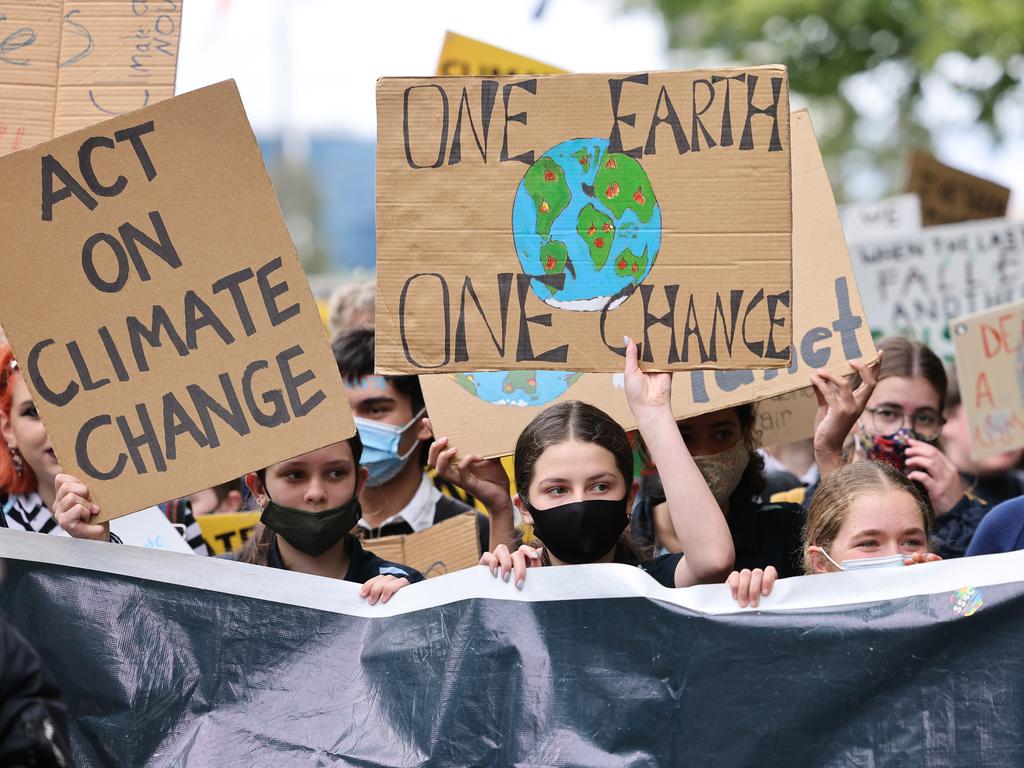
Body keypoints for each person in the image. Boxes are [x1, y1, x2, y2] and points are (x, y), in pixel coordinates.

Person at [429, 338, 734, 589]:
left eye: (600, 486)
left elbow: (712, 561)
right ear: (524, 507)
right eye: (558, 490)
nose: (580, 503)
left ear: (629, 496)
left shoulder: (654, 582)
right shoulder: (519, 583)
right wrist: (498, 538)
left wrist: (653, 412)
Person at [57, 432, 423, 605]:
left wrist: (415, 614)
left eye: (335, 474)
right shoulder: (218, 587)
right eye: (294, 475)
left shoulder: (402, 588)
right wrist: (97, 550)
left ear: (359, 482)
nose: (316, 492)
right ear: (258, 487)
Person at [0, 344, 206, 554]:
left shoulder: (173, 515)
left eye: (77, 406)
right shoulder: (5, 529)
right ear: (7, 428)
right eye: (33, 411)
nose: (59, 430)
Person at [808, 336, 988, 558]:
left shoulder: (973, 510)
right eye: (888, 413)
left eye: (924, 417)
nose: (905, 432)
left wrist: (956, 514)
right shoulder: (797, 503)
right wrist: (829, 456)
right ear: (853, 414)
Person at [332, 328, 488, 553]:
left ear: (424, 422)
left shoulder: (478, 534)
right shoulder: (309, 536)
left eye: (375, 410)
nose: (354, 427)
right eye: (343, 411)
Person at [729, 461, 942, 607]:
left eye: (911, 541)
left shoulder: (952, 616)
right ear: (820, 560)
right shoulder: (795, 629)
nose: (894, 556)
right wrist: (751, 602)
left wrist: (947, 601)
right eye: (869, 543)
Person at [634, 403, 809, 578]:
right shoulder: (622, 546)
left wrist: (828, 455)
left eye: (722, 435)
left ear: (746, 438)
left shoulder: (787, 532)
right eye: (684, 438)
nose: (706, 452)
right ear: (651, 447)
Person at [941, 370, 1024, 507]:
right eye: (989, 407)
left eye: (1018, 410)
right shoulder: (921, 497)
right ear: (948, 419)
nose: (1006, 424)